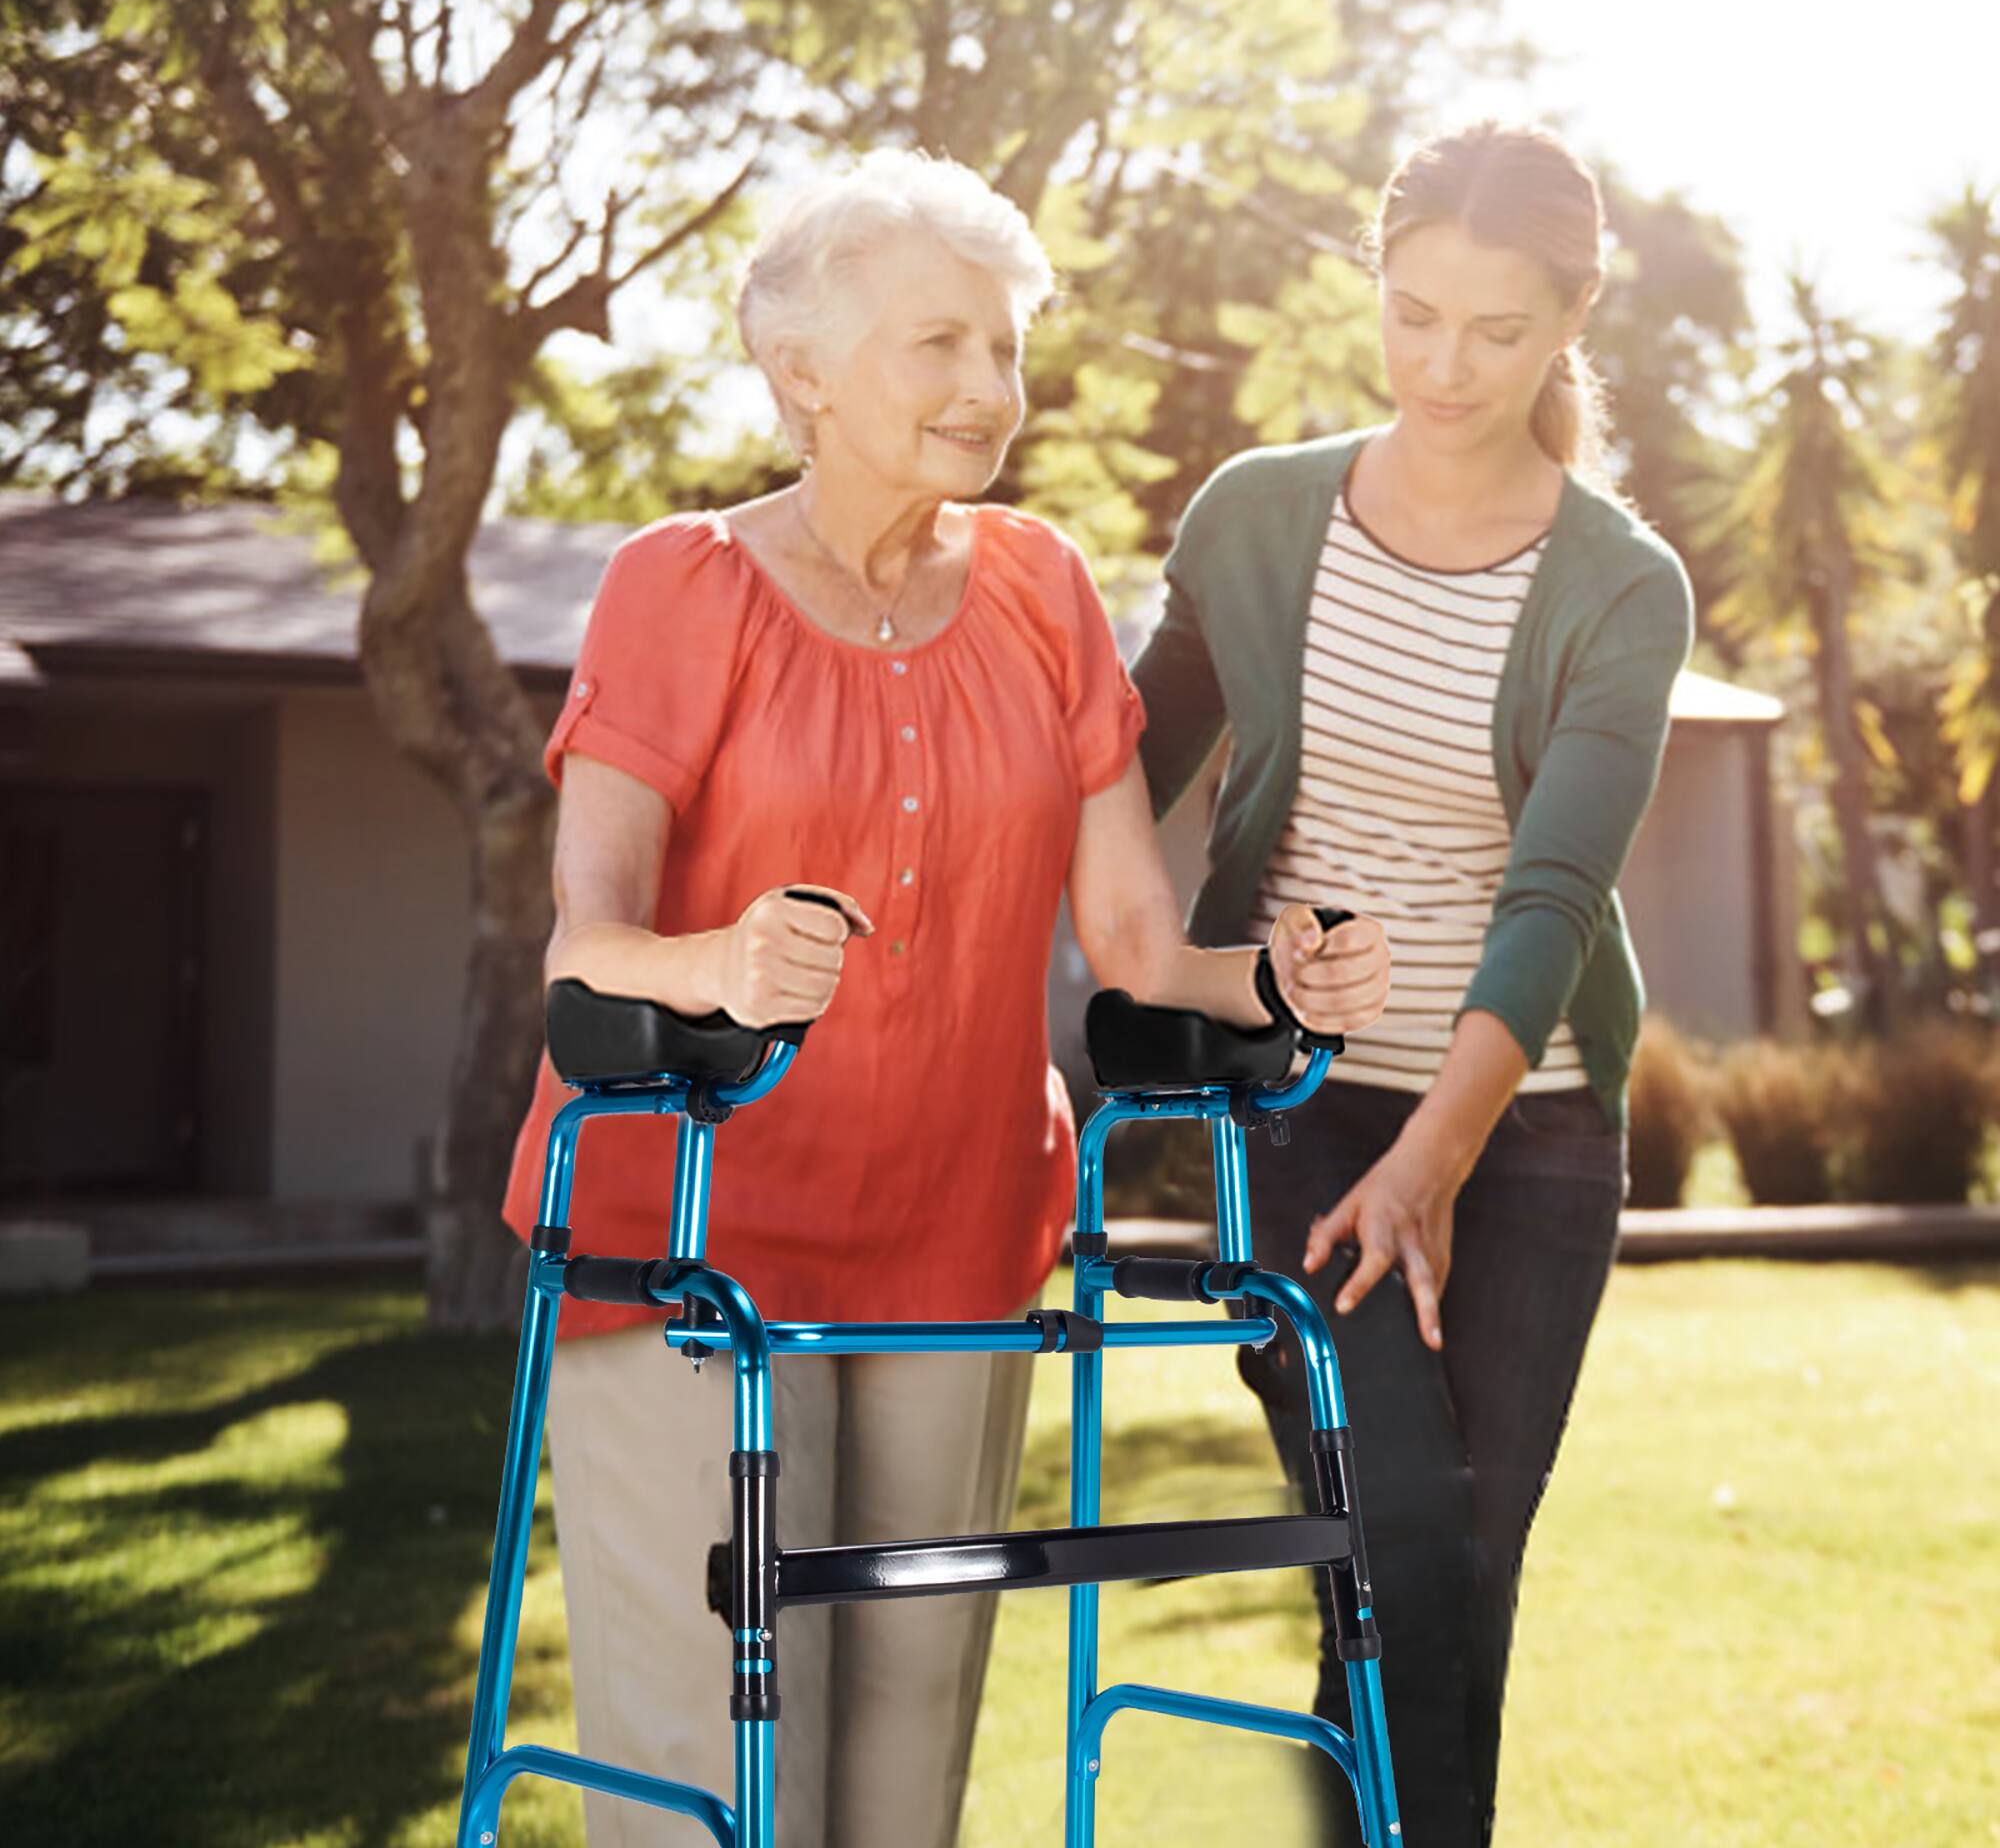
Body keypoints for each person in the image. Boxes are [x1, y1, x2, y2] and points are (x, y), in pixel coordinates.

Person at [499, 148, 1393, 1848]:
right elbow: (583, 936)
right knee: (727, 1774)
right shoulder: (678, 588)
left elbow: (1135, 941)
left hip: (956, 1222)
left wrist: (1276, 971)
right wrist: (720, 965)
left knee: (908, 1776)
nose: (991, 388)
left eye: (1005, 347)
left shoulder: (1048, 591)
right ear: (805, 373)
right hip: (684, 1227)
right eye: (940, 346)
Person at [1133, 121, 1694, 1846]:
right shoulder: (1257, 517)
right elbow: (1106, 776)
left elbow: (1551, 898)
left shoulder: (1619, 586)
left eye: (1498, 331)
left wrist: (1439, 1154)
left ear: (1571, 323)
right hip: (1293, 1104)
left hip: (1524, 1133)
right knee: (1400, 1545)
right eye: (1413, 314)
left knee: (1449, 1573)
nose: (1447, 367)